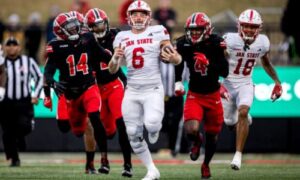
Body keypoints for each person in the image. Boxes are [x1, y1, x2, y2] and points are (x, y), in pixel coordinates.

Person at [108, 1, 182, 179]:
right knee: (132, 133)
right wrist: (115, 60)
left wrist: (175, 58)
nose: (138, 17)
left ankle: (154, 129)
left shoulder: (158, 31)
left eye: (142, 14)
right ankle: (151, 169)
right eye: (135, 14)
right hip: (132, 90)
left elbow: (175, 57)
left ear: (148, 17)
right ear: (129, 17)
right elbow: (112, 69)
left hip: (153, 88)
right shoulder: (121, 37)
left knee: (152, 124)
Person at [44, 11, 111, 173]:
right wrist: (51, 86)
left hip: (89, 87)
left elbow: (104, 56)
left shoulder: (88, 39)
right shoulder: (55, 46)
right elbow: (48, 72)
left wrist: (114, 57)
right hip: (67, 93)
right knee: (68, 128)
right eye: (70, 27)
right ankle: (93, 161)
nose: (75, 29)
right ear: (60, 30)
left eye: (76, 26)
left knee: (94, 119)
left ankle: (102, 160)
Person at [221, 9, 282, 171]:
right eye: (246, 26)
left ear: (259, 28)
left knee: (242, 111)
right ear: (239, 26)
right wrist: (217, 82)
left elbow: (266, 63)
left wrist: (277, 82)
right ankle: (242, 118)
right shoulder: (229, 40)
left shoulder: (263, 42)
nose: (248, 29)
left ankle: (238, 155)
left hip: (245, 83)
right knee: (229, 122)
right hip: (227, 83)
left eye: (252, 26)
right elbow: (216, 61)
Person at [174, 12, 228, 179]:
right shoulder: (183, 43)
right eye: (192, 30)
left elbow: (224, 71)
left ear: (206, 29)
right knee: (191, 130)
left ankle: (205, 164)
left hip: (213, 95)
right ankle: (197, 141)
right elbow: (178, 62)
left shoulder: (216, 43)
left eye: (198, 30)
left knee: (212, 136)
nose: (194, 33)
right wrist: (177, 81)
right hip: (195, 94)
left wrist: (208, 63)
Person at [84, 8, 133, 177]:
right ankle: (104, 159)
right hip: (96, 88)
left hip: (113, 85)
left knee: (122, 124)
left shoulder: (115, 35)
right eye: (95, 26)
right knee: (106, 131)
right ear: (89, 28)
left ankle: (127, 164)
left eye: (101, 24)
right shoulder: (86, 40)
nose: (100, 29)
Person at [0, 37, 43, 167]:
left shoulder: (28, 61)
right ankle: (14, 158)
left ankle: (20, 137)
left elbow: (39, 77)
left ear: (19, 47)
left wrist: (36, 95)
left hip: (23, 101)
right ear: (5, 48)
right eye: (9, 45)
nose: (11, 47)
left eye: (14, 45)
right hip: (5, 102)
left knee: (25, 126)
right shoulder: (1, 63)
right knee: (7, 132)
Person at [281, 0, 300, 64]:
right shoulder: (290, 6)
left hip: (292, 33)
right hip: (292, 35)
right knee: (293, 55)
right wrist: (288, 34)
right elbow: (286, 20)